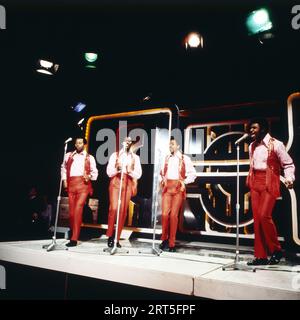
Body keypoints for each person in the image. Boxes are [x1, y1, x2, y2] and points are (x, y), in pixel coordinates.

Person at [246, 118, 295, 265]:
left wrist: (289, 178)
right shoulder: (252, 146)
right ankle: (260, 256)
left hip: (270, 181)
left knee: (264, 215)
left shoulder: (276, 144)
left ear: (262, 129)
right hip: (256, 181)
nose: (251, 131)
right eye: (250, 128)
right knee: (257, 219)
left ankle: (276, 249)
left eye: (254, 128)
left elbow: (288, 164)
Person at [159, 137, 197, 252]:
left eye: (172, 144)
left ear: (178, 146)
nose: (170, 146)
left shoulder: (185, 159)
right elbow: (162, 173)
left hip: (178, 188)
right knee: (165, 215)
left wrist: (184, 182)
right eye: (169, 144)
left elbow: (193, 174)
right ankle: (164, 239)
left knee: (173, 216)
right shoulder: (166, 158)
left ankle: (172, 243)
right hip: (167, 188)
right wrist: (162, 179)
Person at [61, 137, 98, 247]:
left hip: (83, 185)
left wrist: (89, 176)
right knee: (71, 213)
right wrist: (64, 180)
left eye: (80, 142)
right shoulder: (68, 155)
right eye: (76, 143)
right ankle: (73, 233)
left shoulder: (89, 158)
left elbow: (95, 173)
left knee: (78, 210)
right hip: (71, 184)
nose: (78, 144)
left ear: (84, 144)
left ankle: (74, 238)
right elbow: (63, 168)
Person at [106, 137, 142, 248]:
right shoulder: (115, 155)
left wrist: (130, 171)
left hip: (127, 183)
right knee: (114, 208)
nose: (128, 143)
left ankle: (117, 238)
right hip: (116, 182)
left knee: (122, 212)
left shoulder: (135, 158)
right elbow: (108, 172)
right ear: (123, 143)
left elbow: (139, 174)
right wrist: (117, 169)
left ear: (132, 144)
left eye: (130, 142)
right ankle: (110, 234)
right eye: (126, 141)